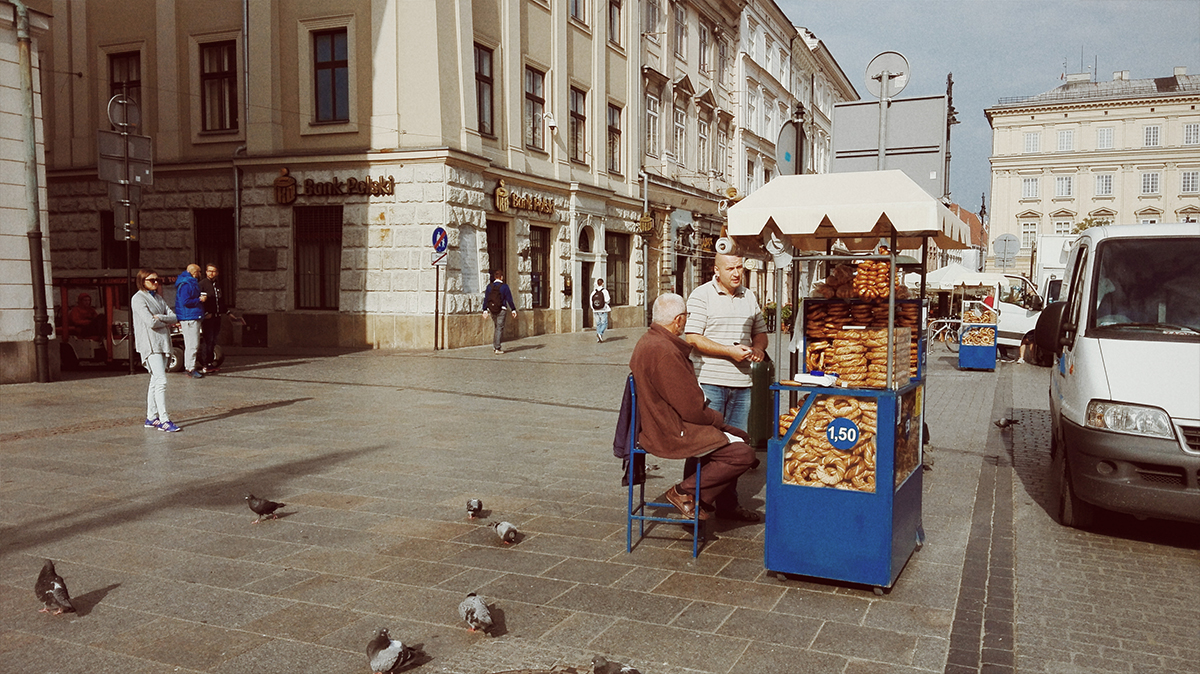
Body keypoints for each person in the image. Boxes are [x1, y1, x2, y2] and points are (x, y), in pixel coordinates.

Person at [629, 293, 758, 521]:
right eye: (686, 317)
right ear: (679, 320)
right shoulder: (665, 351)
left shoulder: (649, 341)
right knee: (743, 454)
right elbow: (692, 410)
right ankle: (685, 493)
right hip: (670, 429)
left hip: (659, 423)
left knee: (741, 436)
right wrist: (717, 420)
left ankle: (698, 499)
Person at [683, 252, 768, 522]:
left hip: (742, 384)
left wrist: (758, 348)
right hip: (711, 382)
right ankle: (691, 500)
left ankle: (728, 504)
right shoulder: (701, 295)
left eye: (739, 267)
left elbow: (761, 331)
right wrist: (728, 352)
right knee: (705, 444)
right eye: (730, 268)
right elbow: (693, 337)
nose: (736, 273)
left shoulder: (749, 296)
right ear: (716, 270)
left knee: (737, 448)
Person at [131, 269, 181, 432]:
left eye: (157, 280)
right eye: (152, 280)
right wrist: (163, 320)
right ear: (142, 281)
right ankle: (164, 419)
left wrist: (161, 318)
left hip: (162, 342)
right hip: (150, 343)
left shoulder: (158, 298)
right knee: (161, 380)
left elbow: (174, 316)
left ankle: (151, 417)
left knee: (155, 380)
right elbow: (149, 322)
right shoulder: (138, 299)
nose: (156, 283)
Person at [174, 263, 205, 378]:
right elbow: (185, 301)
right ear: (194, 272)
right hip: (189, 317)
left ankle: (189, 366)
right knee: (193, 344)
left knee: (191, 344)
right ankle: (190, 368)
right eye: (199, 272)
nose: (200, 274)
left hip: (190, 316)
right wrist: (199, 299)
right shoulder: (187, 284)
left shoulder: (186, 282)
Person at [482, 270, 517, 354]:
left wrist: (485, 310)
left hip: (492, 309)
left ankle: (495, 346)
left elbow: (486, 299)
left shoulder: (489, 286)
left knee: (496, 327)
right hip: (502, 309)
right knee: (499, 328)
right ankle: (497, 348)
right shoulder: (505, 287)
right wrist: (513, 309)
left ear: (494, 277)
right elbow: (509, 299)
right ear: (501, 277)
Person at [199, 263, 225, 373]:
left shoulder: (217, 285)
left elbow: (220, 301)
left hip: (217, 317)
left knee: (213, 341)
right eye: (209, 271)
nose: (211, 273)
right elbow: (200, 301)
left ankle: (210, 363)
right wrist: (205, 313)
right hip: (208, 318)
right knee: (208, 341)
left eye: (214, 271)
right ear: (206, 272)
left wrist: (227, 312)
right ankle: (206, 364)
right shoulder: (202, 284)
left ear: (217, 273)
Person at [592, 278, 611, 342]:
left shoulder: (594, 292)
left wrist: (593, 308)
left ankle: (598, 339)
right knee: (605, 323)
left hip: (595, 310)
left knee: (598, 324)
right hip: (603, 310)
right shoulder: (604, 291)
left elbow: (591, 301)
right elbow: (607, 300)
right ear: (602, 283)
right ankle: (600, 334)